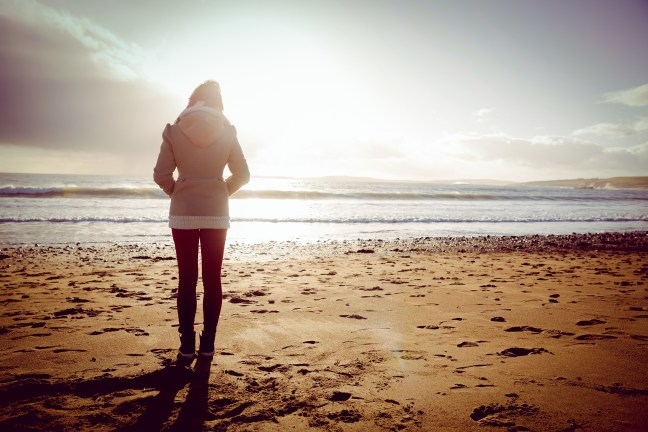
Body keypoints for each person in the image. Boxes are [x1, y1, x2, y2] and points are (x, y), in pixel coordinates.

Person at [154, 80, 250, 365]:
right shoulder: (228, 131)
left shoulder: (173, 130)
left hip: (182, 213)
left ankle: (186, 347)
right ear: (218, 102)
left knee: (186, 280)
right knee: (212, 279)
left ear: (193, 100)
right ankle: (207, 346)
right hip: (216, 213)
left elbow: (161, 175)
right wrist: (220, 191)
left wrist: (179, 191)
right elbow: (242, 175)